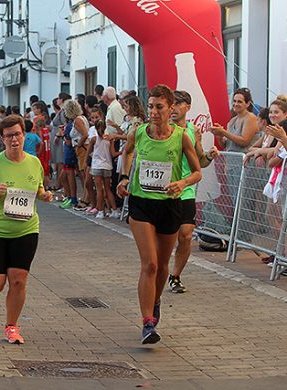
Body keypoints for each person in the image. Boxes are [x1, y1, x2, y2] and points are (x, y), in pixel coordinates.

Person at [116, 84, 201, 344]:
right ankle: (147, 323)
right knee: (150, 263)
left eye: (159, 107)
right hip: (142, 203)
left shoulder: (182, 136)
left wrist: (182, 184)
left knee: (163, 266)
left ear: (170, 108)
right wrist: (124, 178)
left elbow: (198, 171)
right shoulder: (139, 132)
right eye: (151, 106)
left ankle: (155, 301)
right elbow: (127, 152)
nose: (153, 111)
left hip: (169, 205)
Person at [0, 114, 53, 344]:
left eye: (17, 134)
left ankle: (12, 327)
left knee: (18, 279)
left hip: (26, 229)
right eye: (9, 136)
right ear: (2, 139)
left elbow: (37, 188)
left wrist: (44, 195)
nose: (14, 139)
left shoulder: (34, 162)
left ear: (24, 135)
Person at [168, 90, 219, 293]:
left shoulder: (193, 130)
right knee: (165, 237)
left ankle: (175, 276)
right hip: (164, 190)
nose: (173, 108)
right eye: (171, 104)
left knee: (186, 235)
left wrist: (209, 155)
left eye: (178, 104)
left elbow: (200, 162)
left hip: (186, 189)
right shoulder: (163, 129)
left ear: (187, 107)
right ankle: (158, 269)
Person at [88, 119, 116, 219]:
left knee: (99, 190)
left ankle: (100, 211)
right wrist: (121, 152)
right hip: (107, 166)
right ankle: (114, 209)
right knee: (108, 189)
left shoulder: (94, 139)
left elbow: (89, 152)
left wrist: (92, 157)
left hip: (96, 165)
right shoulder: (109, 139)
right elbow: (113, 154)